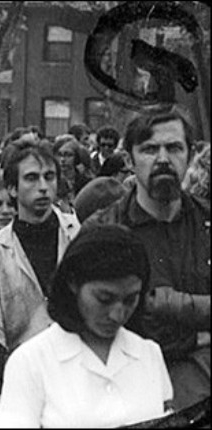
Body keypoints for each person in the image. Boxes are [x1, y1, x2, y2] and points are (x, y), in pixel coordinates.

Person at [83, 108, 210, 411]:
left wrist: (162, 306)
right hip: (123, 391)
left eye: (174, 148)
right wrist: (198, 335)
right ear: (129, 159)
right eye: (150, 149)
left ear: (190, 155)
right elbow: (88, 320)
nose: (163, 159)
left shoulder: (207, 222)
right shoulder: (101, 232)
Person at [0, 225, 173, 428]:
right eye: (104, 299)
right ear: (73, 283)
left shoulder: (148, 354)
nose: (117, 314)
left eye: (130, 299)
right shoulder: (30, 362)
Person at [0, 142, 80, 428]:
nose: (43, 187)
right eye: (31, 178)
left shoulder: (78, 236)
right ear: (12, 189)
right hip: (22, 383)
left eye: (49, 177)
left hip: (78, 379)